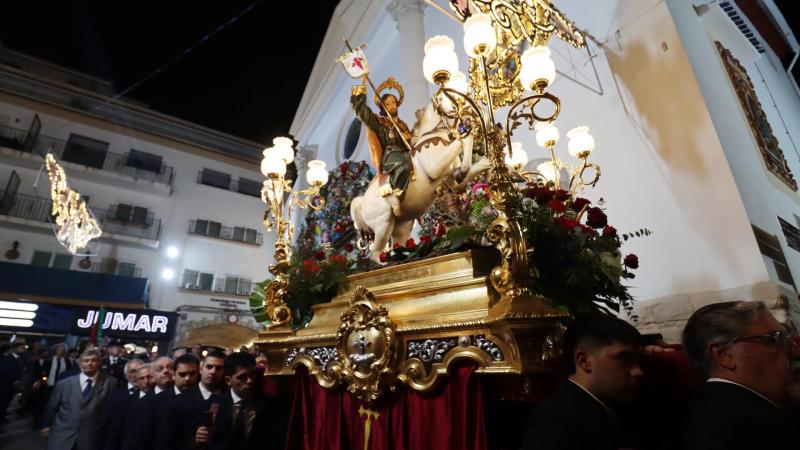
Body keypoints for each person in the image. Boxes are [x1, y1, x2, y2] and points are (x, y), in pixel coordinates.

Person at [680, 301, 800, 449]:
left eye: (787, 338)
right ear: (724, 355)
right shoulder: (747, 428)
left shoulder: (714, 408)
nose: (794, 351)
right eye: (774, 339)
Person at [521, 315, 645, 450]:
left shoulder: (619, 404)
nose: (638, 371)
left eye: (638, 360)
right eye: (625, 359)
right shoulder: (553, 422)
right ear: (584, 361)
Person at [41, 348, 118, 450]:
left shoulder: (111, 382)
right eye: (86, 361)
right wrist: (46, 425)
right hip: (62, 436)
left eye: (93, 360)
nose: (90, 363)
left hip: (91, 438)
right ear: (80, 363)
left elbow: (112, 410)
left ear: (99, 362)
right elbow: (52, 407)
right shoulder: (64, 383)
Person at [350, 75, 413, 198]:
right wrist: (362, 86)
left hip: (406, 153)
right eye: (388, 104)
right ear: (383, 108)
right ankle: (397, 192)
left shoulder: (402, 125)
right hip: (390, 156)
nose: (392, 106)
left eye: (394, 102)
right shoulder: (379, 122)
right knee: (403, 164)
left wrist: (410, 137)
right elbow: (361, 111)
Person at [204, 353, 281, 450]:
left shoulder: (270, 406)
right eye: (242, 377)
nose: (249, 381)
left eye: (252, 374)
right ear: (228, 380)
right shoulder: (213, 404)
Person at [164, 350, 225, 449]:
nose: (213, 372)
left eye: (218, 368)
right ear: (201, 369)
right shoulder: (179, 401)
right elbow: (168, 442)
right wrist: (194, 442)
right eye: (209, 367)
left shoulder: (229, 399)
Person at [97, 358, 144, 450]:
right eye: (133, 371)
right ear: (126, 375)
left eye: (140, 370)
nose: (137, 375)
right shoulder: (114, 396)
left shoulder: (155, 395)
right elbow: (103, 425)